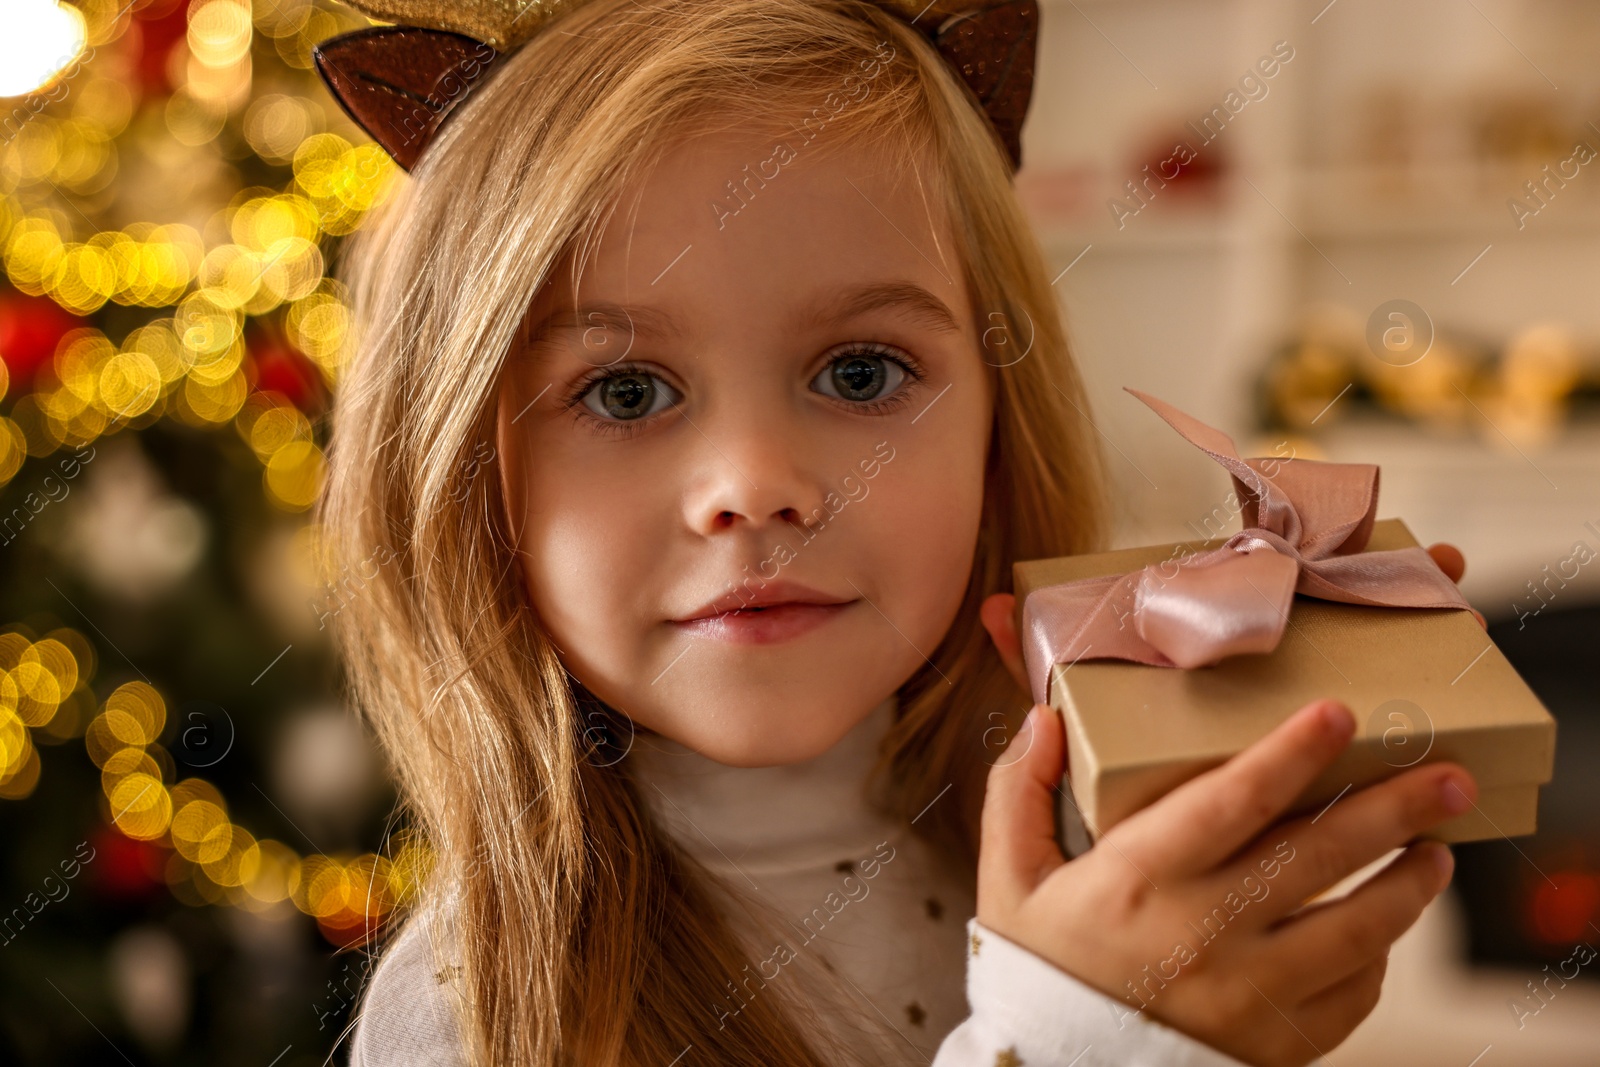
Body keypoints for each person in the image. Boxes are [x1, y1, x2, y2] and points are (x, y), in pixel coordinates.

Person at [314, 0, 1480, 1062]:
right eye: (625, 392)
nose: (756, 487)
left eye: (860, 371)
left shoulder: (1076, 822)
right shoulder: (479, 1008)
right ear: (463, 467)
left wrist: (1298, 725)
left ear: (997, 421)